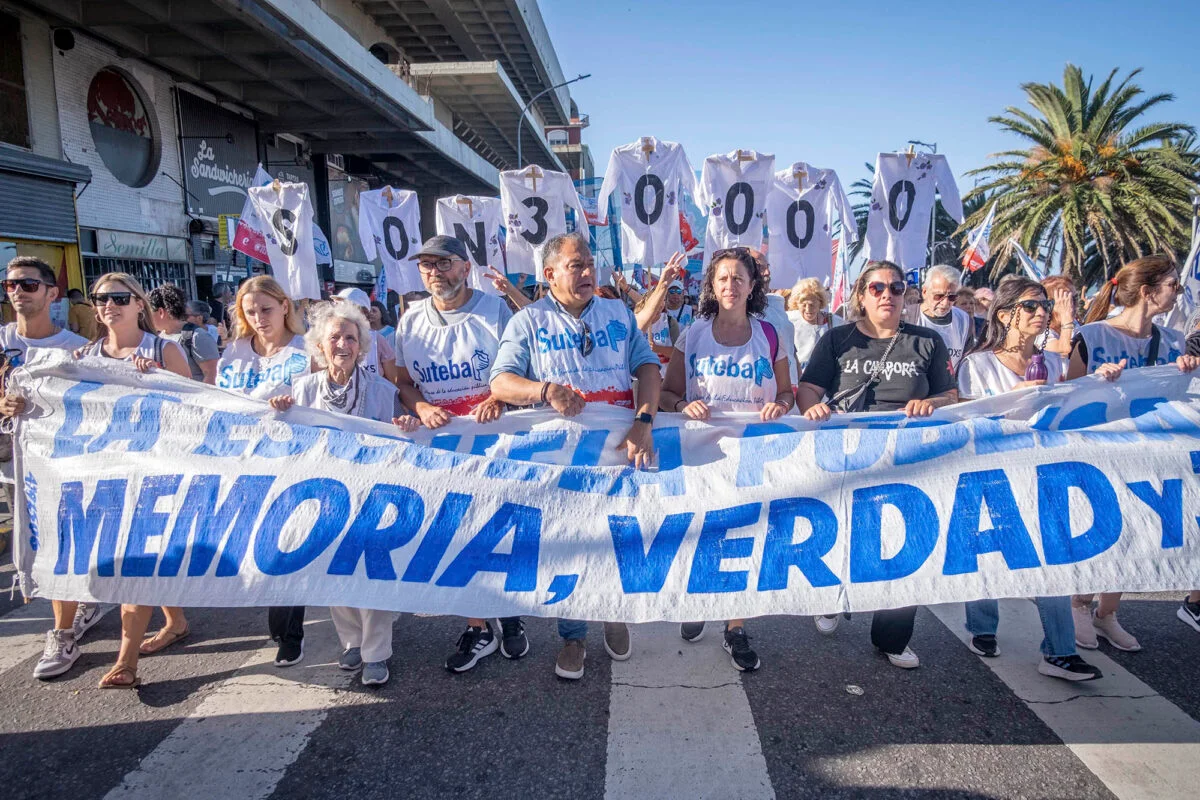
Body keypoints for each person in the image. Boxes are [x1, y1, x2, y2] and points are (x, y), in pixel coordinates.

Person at [490, 231, 661, 681]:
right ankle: (572, 635)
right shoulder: (528, 322)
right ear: (549, 275)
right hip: (561, 463)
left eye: (589, 264)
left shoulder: (619, 313)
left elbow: (647, 368)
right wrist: (545, 390)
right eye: (575, 266)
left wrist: (644, 421)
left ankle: (613, 611)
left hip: (616, 453)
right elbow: (501, 382)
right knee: (568, 543)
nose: (587, 273)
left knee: (618, 536)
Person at [796, 260, 957, 669]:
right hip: (847, 454)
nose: (888, 295)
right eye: (878, 288)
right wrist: (812, 408)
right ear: (862, 296)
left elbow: (951, 395)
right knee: (844, 532)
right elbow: (809, 388)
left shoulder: (927, 342)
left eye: (897, 288)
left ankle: (892, 637)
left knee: (907, 539)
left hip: (909, 457)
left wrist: (930, 403)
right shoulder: (837, 340)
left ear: (907, 295)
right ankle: (831, 597)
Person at [956, 276, 1103, 681]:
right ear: (1004, 315)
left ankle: (1060, 650)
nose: (1041, 312)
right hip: (993, 473)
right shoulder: (978, 364)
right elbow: (968, 422)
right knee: (988, 550)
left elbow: (1079, 404)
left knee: (1052, 555)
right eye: (1030, 306)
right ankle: (982, 626)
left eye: (1044, 305)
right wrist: (1018, 396)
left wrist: (1107, 381)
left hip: (1044, 475)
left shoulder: (1054, 362)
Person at [393, 235, 528, 672]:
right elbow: (404, 383)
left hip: (496, 442)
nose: (435, 272)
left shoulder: (494, 310)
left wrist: (502, 400)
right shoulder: (410, 321)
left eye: (444, 263)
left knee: (497, 530)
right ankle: (478, 626)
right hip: (442, 447)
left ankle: (508, 614)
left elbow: (523, 369)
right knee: (453, 532)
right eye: (426, 265)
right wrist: (422, 406)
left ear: (465, 268)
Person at [658, 246, 793, 672]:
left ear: (753, 286)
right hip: (701, 455)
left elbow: (789, 392)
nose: (731, 285)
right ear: (711, 287)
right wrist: (682, 406)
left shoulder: (771, 334)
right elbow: (665, 393)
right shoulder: (693, 333)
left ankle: (735, 628)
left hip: (753, 455)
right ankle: (698, 600)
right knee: (701, 533)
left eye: (739, 278)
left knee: (744, 539)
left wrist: (782, 407)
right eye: (723, 279)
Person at [269, 301, 415, 686]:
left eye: (351, 338)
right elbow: (283, 441)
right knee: (335, 573)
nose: (343, 344)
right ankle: (351, 642)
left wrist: (403, 424)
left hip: (373, 498)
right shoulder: (300, 390)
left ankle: (377, 652)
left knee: (374, 574)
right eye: (334, 337)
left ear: (362, 347)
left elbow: (399, 442)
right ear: (319, 345)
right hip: (326, 498)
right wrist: (280, 411)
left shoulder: (382, 391)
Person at [1067, 254, 1199, 652]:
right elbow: (1066, 395)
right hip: (1099, 451)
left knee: (1137, 531)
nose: (1178, 292)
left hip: (1149, 454)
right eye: (1173, 285)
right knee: (1101, 527)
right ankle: (1078, 604)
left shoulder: (1173, 342)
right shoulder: (1093, 336)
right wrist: (1096, 380)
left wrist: (1188, 369)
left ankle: (1107, 613)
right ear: (1147, 291)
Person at [80, 272, 192, 687]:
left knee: (138, 561)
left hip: (157, 474)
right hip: (109, 475)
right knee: (148, 557)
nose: (109, 304)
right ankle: (176, 622)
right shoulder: (87, 356)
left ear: (139, 304)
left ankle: (126, 660)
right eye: (101, 298)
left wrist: (159, 379)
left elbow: (198, 410)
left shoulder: (163, 349)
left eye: (119, 297)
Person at [0, 258, 93, 680]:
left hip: (61, 468)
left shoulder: (73, 348)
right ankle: (84, 602)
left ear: (52, 293)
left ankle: (62, 633)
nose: (18, 291)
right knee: (33, 548)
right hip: (12, 465)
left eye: (28, 284)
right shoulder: (0, 341)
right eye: (11, 284)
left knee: (60, 548)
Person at [216, 275, 313, 666]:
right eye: (250, 311)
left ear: (285, 307)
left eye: (266, 309)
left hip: (290, 462)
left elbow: (319, 402)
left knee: (285, 543)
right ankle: (279, 620)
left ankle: (290, 632)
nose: (258, 318)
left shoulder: (306, 351)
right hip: (244, 463)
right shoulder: (234, 351)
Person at [748, 249, 799, 390]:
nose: (767, 273)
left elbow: (792, 353)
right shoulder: (735, 311)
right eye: (761, 267)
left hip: (789, 392)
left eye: (767, 267)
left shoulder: (777, 306)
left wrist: (798, 387)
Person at [149, 285, 219, 384]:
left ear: (161, 312)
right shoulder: (158, 338)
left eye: (149, 312)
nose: (147, 317)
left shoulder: (197, 336)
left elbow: (213, 374)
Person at [915, 264, 974, 372]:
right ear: (924, 292)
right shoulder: (910, 317)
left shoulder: (964, 321)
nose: (945, 302)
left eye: (952, 297)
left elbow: (967, 363)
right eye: (939, 296)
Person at [634, 255, 689, 369]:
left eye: (662, 301)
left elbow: (677, 352)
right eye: (671, 291)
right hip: (640, 377)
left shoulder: (669, 321)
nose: (659, 305)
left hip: (664, 376)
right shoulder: (635, 322)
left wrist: (657, 349)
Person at [334, 287, 398, 384]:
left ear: (363, 312)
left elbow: (394, 381)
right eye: (337, 304)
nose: (339, 309)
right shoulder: (329, 339)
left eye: (345, 305)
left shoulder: (377, 340)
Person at [787, 278, 842, 372]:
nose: (808, 309)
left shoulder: (835, 322)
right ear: (797, 303)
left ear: (820, 302)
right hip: (798, 378)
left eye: (812, 304)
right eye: (803, 305)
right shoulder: (789, 321)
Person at [1040, 275, 1079, 357]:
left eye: (1076, 298)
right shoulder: (1040, 332)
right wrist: (1066, 317)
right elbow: (1063, 351)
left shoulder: (1075, 325)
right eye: (1069, 300)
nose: (1076, 304)